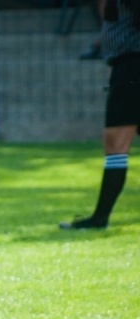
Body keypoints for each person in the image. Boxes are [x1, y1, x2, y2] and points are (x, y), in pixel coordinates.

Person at [60, 0, 140, 229]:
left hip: (132, 65)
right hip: (128, 62)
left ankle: (100, 218)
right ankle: (99, 218)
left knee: (116, 144)